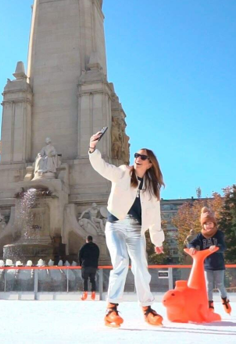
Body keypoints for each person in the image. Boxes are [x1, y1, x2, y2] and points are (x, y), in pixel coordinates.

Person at [88, 132, 165, 327]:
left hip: (136, 230)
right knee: (121, 261)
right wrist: (92, 149)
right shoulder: (123, 173)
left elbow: (155, 217)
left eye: (142, 157)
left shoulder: (152, 188)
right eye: (136, 156)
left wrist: (158, 241)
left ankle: (147, 309)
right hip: (115, 225)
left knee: (141, 267)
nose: (137, 159)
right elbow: (102, 168)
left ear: (150, 163)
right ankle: (111, 309)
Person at [187, 207, 231, 314]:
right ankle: (209, 303)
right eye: (206, 223)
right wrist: (192, 247)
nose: (208, 225)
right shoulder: (200, 236)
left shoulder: (219, 234)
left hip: (219, 265)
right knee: (208, 285)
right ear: (203, 225)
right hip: (207, 265)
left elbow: (223, 246)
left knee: (220, 284)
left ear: (214, 224)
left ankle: (225, 300)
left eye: (211, 223)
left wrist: (216, 247)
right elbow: (191, 243)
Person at [78, 235, 100, 300]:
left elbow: (80, 255)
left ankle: (85, 294)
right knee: (92, 280)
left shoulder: (84, 247)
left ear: (87, 240)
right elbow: (97, 255)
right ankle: (93, 293)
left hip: (86, 265)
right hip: (93, 266)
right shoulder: (96, 247)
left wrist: (80, 264)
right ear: (92, 240)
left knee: (85, 279)